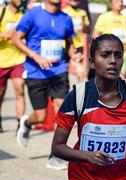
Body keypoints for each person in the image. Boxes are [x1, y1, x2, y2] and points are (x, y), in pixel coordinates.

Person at [51, 34, 126, 180]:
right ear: (91, 62)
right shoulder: (78, 95)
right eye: (105, 55)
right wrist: (88, 156)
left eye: (118, 55)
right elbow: (57, 147)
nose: (113, 61)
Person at [12, 0, 77, 170]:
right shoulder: (33, 14)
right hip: (36, 72)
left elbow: (69, 43)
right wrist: (36, 56)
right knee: (40, 116)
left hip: (59, 71)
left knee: (61, 112)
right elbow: (15, 38)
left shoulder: (66, 18)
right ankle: (27, 123)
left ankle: (56, 155)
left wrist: (74, 55)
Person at [93, 0, 126, 79]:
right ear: (111, 4)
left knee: (121, 76)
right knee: (110, 78)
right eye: (117, 1)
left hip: (123, 53)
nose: (120, 3)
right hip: (109, 54)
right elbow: (96, 34)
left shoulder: (125, 18)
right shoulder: (104, 16)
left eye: (121, 1)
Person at [0, 0, 25, 133]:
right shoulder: (2, 12)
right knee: (1, 93)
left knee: (19, 90)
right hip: (1, 60)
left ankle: (20, 125)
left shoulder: (23, 15)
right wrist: (7, 35)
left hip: (18, 59)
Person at [63, 0, 90, 83]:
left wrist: (83, 24)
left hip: (78, 44)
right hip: (65, 45)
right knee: (66, 70)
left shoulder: (82, 13)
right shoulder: (64, 12)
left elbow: (86, 29)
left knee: (80, 70)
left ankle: (80, 91)